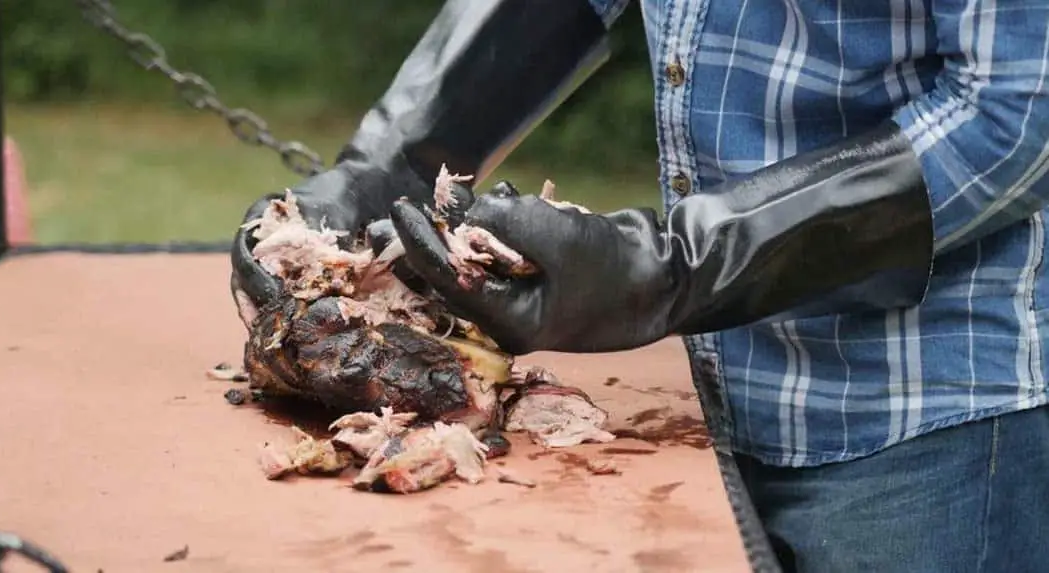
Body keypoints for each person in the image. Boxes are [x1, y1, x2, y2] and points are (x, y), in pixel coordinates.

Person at [230, 1, 1049, 571]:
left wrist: (676, 265)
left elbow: (1019, 107)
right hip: (707, 396)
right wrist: (384, 165)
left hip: (924, 418)